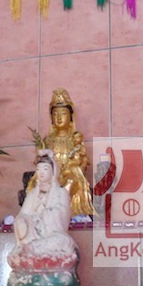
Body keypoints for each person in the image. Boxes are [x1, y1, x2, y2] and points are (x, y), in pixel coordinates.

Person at [8, 150, 80, 286]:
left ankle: (30, 250)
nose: (41, 173)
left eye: (45, 169)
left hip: (52, 235)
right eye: (38, 169)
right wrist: (25, 221)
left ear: (53, 172)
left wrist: (45, 214)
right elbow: (24, 214)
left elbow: (63, 214)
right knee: (20, 221)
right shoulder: (32, 194)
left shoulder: (60, 193)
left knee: (64, 242)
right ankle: (28, 250)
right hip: (33, 235)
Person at [29, 89, 95, 218]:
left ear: (70, 117)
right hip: (50, 177)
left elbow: (82, 162)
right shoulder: (47, 141)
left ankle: (61, 208)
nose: (59, 117)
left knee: (73, 180)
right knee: (38, 183)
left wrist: (73, 167)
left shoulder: (75, 140)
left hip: (69, 176)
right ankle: (44, 211)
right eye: (55, 114)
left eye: (63, 113)